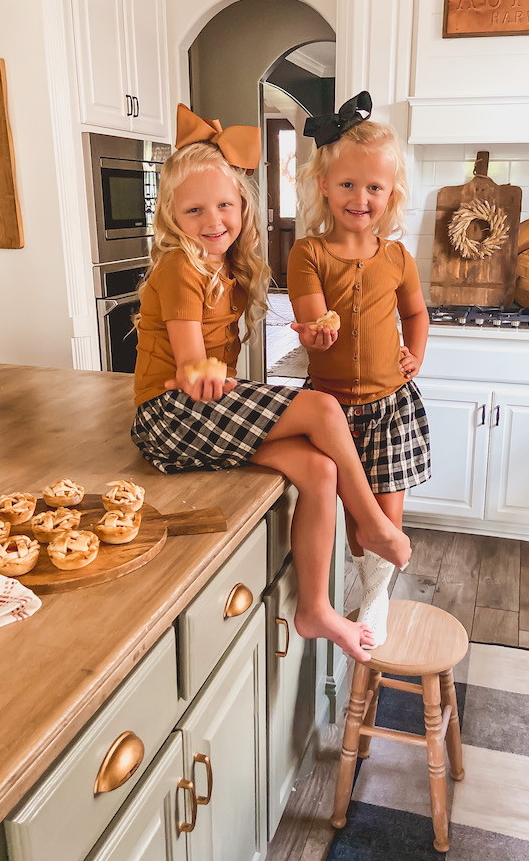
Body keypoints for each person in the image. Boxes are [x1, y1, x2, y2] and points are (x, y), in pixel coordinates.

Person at [131, 103, 411, 663]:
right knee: (324, 412)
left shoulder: (227, 268)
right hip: (168, 416)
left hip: (198, 416)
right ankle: (376, 527)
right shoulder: (180, 268)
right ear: (171, 218)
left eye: (225, 205)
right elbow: (190, 366)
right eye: (194, 210)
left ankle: (313, 609)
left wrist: (221, 379)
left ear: (243, 207)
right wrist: (208, 374)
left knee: (321, 468)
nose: (214, 220)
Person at [287, 91, 430, 646]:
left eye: (374, 187)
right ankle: (354, 584)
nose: (360, 197)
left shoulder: (398, 258)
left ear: (391, 193)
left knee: (386, 511)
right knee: (354, 517)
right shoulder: (309, 254)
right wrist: (316, 331)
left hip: (390, 403)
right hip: (330, 411)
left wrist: (415, 353)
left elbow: (416, 313)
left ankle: (376, 600)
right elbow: (310, 315)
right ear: (324, 184)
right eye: (347, 184)